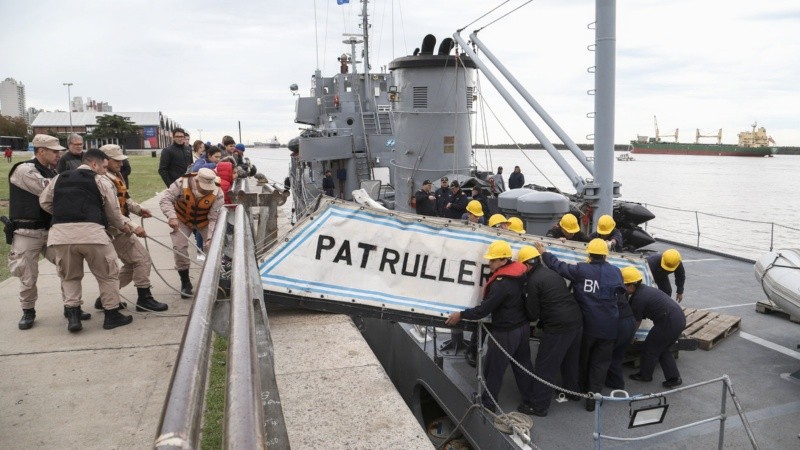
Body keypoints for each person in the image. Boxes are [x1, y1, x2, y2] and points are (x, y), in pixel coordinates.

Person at [40, 148, 136, 331]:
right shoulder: (100, 181)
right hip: (93, 235)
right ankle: (112, 315)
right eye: (104, 167)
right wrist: (123, 226)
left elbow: (44, 202)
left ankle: (73, 317)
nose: (105, 171)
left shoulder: (58, 178)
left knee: (69, 277)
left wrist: (65, 214)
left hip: (61, 236)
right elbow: (114, 214)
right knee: (108, 275)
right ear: (94, 164)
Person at [445, 240, 537, 415]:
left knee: (493, 367)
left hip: (506, 332)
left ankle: (488, 403)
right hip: (523, 328)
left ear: (503, 260)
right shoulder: (520, 272)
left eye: (493, 260)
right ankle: (531, 399)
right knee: (523, 365)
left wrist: (461, 315)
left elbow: (483, 310)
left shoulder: (501, 283)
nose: (489, 264)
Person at [534, 238, 625, 411]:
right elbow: (620, 297)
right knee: (600, 363)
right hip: (610, 327)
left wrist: (544, 253)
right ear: (606, 255)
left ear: (589, 253)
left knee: (581, 359)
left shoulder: (582, 270)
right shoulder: (616, 272)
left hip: (588, 326)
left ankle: (580, 389)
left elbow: (559, 266)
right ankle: (593, 397)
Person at [6, 134, 72, 329]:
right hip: (27, 233)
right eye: (54, 151)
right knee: (27, 275)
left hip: (50, 231)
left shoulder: (52, 172)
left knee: (67, 268)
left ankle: (71, 307)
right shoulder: (24, 170)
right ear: (41, 151)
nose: (58, 154)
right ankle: (28, 311)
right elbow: (48, 190)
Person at [98, 144, 168, 313]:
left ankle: (106, 298)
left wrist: (138, 209)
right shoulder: (102, 180)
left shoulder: (115, 176)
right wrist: (133, 226)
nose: (121, 164)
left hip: (120, 226)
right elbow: (111, 210)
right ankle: (144, 299)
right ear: (105, 160)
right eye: (117, 161)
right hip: (115, 229)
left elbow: (125, 199)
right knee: (142, 259)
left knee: (131, 264)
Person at [518, 245, 583, 416]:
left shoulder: (532, 281)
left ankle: (538, 406)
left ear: (526, 265)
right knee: (570, 360)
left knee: (545, 365)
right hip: (576, 320)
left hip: (558, 326)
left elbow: (532, 314)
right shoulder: (552, 273)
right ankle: (572, 392)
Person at [159, 168, 225, 298]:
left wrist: (210, 238)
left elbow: (214, 218)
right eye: (204, 187)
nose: (207, 190)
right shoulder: (181, 183)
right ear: (197, 181)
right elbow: (165, 199)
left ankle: (215, 280)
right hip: (182, 219)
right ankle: (185, 282)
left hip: (205, 221)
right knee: (179, 247)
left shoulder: (218, 192)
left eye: (209, 187)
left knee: (213, 247)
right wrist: (171, 216)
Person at [623, 266, 686, 388]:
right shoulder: (643, 289)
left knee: (650, 347)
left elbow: (636, 321)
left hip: (668, 322)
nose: (624, 288)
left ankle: (645, 375)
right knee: (662, 348)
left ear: (632, 286)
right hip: (678, 319)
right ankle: (674, 378)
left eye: (625, 286)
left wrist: (630, 337)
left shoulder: (638, 299)